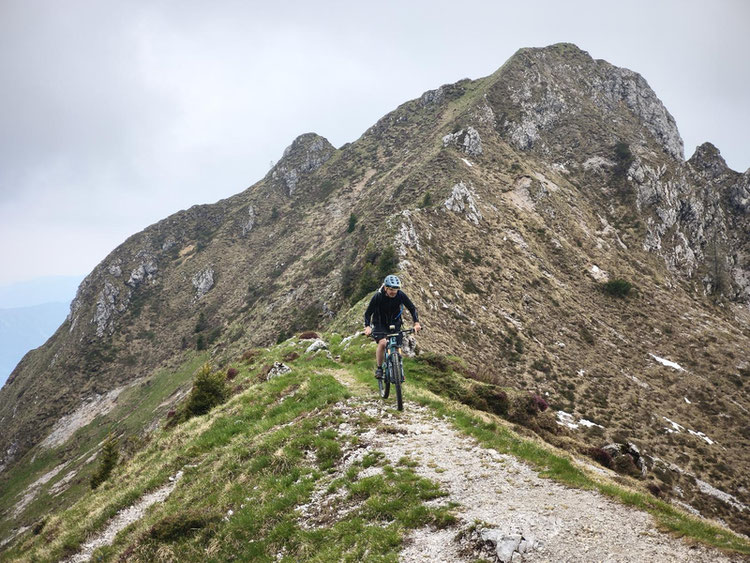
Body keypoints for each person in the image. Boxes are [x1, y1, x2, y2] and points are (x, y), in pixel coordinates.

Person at [363, 274, 421, 379]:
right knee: (383, 343)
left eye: (396, 290)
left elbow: (412, 308)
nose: (394, 292)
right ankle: (379, 368)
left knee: (397, 345)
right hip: (380, 323)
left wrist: (416, 323)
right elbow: (368, 313)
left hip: (395, 322)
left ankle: (398, 369)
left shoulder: (400, 295)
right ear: (385, 288)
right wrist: (367, 326)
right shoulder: (378, 296)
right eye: (391, 290)